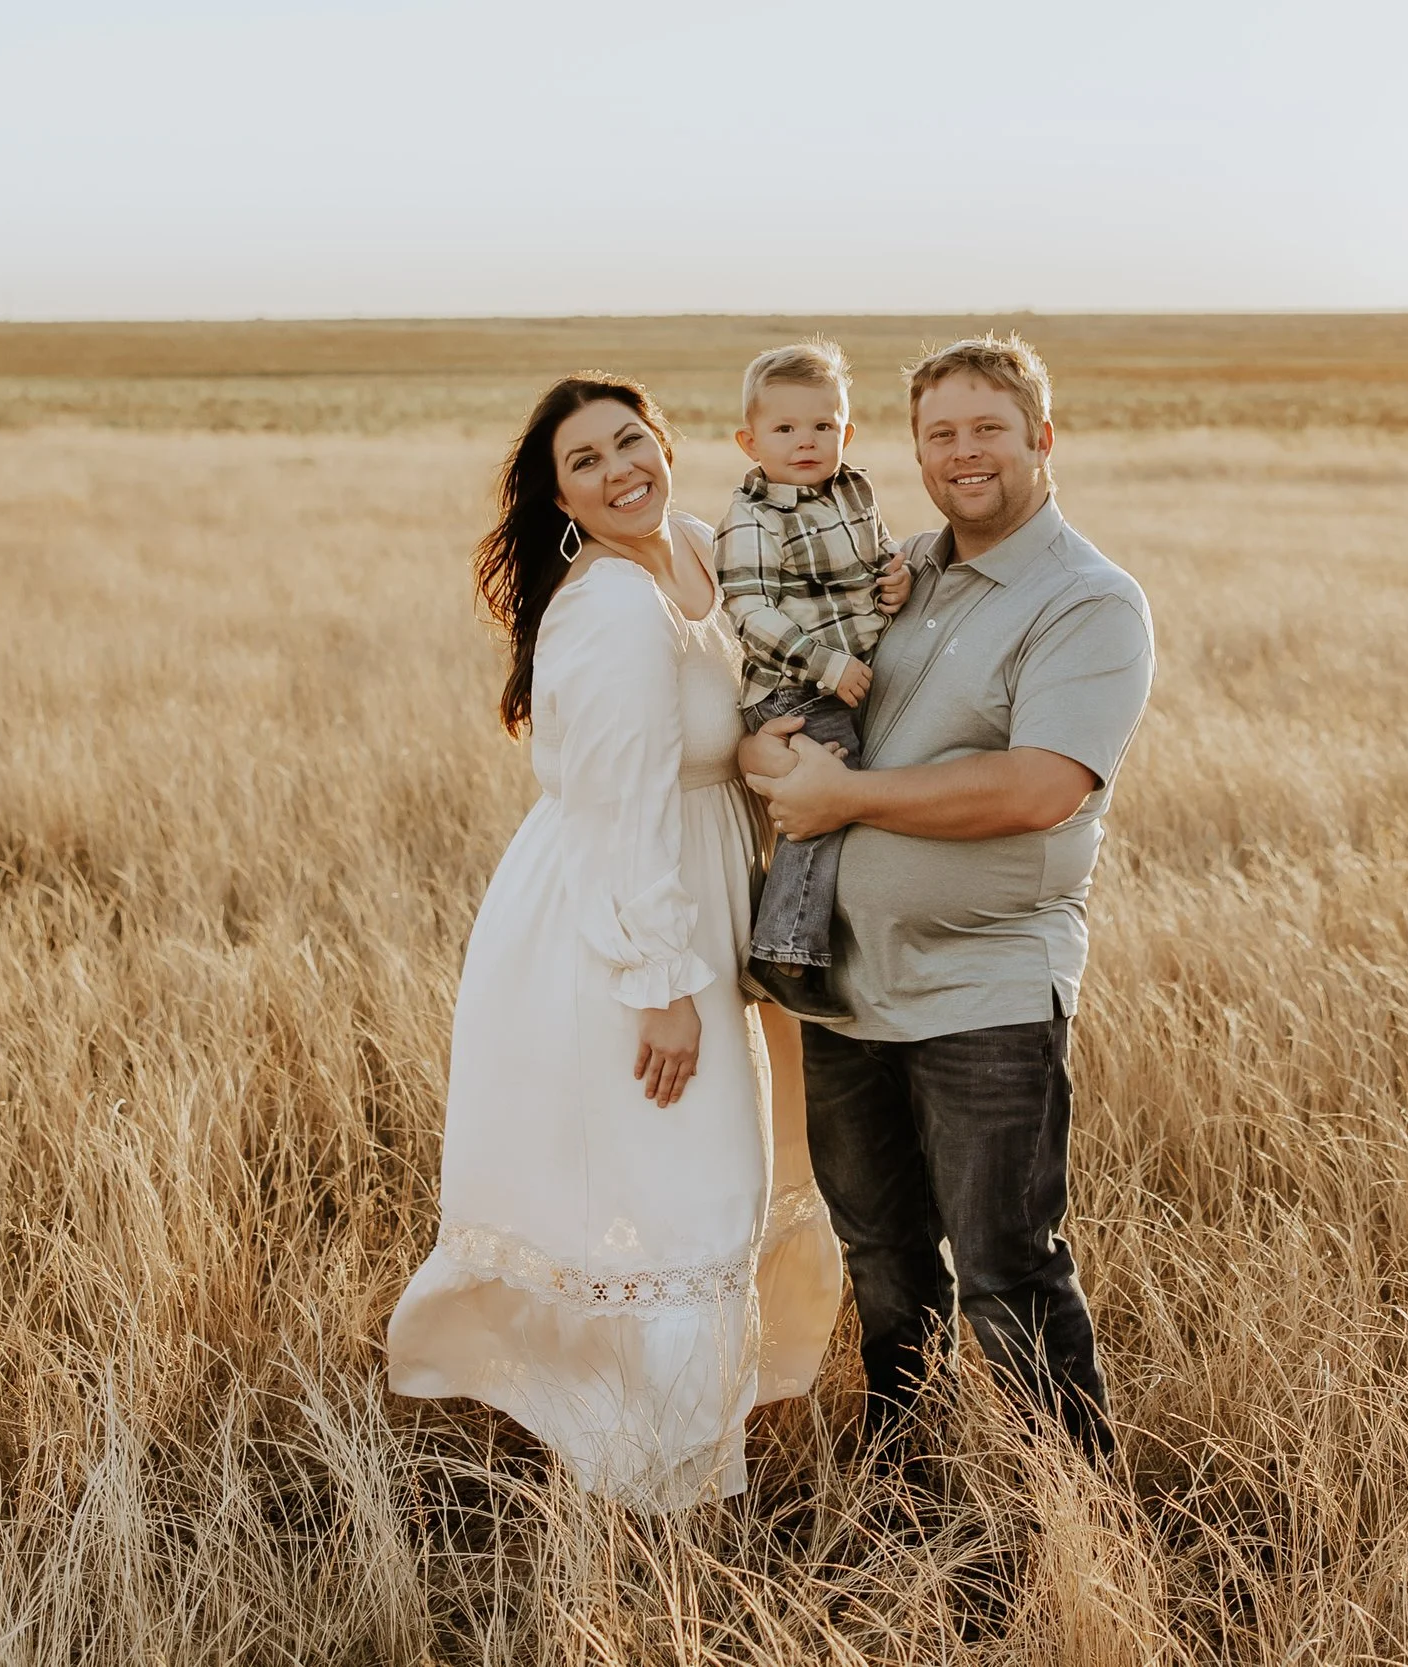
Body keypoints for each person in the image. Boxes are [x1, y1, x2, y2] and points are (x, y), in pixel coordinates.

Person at [388, 375, 843, 1512]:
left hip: (696, 899)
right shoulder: (604, 608)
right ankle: (662, 1483)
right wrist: (662, 983)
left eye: (630, 440)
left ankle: (672, 1450)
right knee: (682, 1187)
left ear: (667, 443)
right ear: (561, 499)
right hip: (618, 926)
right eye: (583, 461)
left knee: (704, 1181)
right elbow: (627, 806)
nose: (618, 469)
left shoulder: (694, 546)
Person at [740, 334, 1155, 1459]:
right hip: (845, 987)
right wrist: (767, 749)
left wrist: (843, 799)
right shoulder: (902, 569)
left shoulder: (1086, 601)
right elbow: (773, 646)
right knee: (883, 1261)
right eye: (940, 434)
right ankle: (910, 1482)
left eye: (987, 429)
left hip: (983, 992)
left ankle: (1074, 1516)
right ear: (913, 450)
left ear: (1041, 440)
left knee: (1007, 1271)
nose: (963, 453)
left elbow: (1037, 787)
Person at [712, 339, 914, 1018]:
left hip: (849, 677)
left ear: (846, 431)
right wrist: (825, 664)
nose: (807, 441)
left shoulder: (856, 490)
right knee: (827, 798)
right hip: (793, 689)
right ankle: (784, 951)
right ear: (750, 440)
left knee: (856, 794)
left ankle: (822, 936)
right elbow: (748, 610)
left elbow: (879, 558)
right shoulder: (752, 516)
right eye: (786, 428)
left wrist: (897, 577)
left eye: (823, 426)